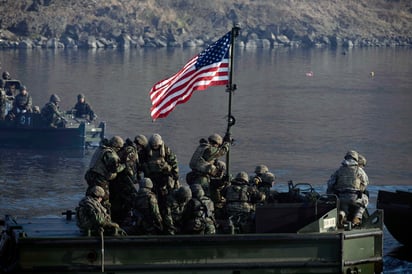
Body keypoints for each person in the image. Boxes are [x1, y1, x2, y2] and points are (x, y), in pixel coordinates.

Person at [326, 150, 369, 226]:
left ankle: (342, 214)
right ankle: (357, 217)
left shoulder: (339, 170)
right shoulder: (359, 170)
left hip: (341, 197)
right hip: (354, 198)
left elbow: (330, 183)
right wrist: (360, 190)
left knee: (343, 208)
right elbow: (365, 182)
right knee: (365, 199)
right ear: (356, 159)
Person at [85, 136, 126, 213]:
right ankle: (104, 217)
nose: (118, 150)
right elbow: (115, 169)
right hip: (99, 179)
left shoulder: (101, 149)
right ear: (115, 146)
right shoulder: (109, 153)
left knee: (91, 196)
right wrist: (124, 165)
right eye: (118, 148)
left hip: (92, 176)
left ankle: (88, 213)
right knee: (104, 198)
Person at [142, 133, 179, 211]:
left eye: (157, 145)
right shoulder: (146, 151)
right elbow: (142, 163)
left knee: (164, 196)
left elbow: (173, 162)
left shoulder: (166, 150)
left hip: (163, 176)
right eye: (153, 145)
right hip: (151, 176)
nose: (155, 147)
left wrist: (175, 174)